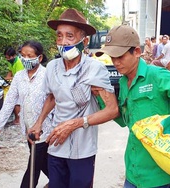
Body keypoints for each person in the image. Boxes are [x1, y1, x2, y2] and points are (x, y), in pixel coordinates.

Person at [95, 25, 170, 188]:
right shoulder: (124, 82)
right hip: (134, 169)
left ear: (137, 52)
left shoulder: (158, 76)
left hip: (161, 175)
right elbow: (125, 121)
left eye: (120, 56)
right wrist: (102, 97)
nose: (115, 62)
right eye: (112, 57)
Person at [28, 8, 119, 188]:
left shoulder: (95, 69)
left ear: (84, 41)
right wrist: (39, 122)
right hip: (56, 144)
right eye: (59, 36)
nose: (63, 42)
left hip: (83, 149)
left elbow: (112, 110)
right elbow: (52, 97)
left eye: (70, 36)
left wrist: (75, 124)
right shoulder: (52, 67)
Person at [0, 40, 51, 188]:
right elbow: (10, 102)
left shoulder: (47, 75)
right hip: (28, 129)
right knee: (43, 164)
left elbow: (54, 100)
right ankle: (61, 182)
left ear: (40, 58)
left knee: (34, 167)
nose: (25, 59)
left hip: (46, 130)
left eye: (29, 55)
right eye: (23, 55)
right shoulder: (19, 77)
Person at [4, 47, 24, 125]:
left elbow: (18, 76)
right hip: (14, 82)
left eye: (9, 57)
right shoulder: (10, 62)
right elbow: (10, 72)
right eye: (6, 57)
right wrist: (5, 78)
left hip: (20, 82)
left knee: (16, 101)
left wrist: (9, 78)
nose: (8, 59)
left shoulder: (19, 62)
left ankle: (18, 119)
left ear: (14, 55)